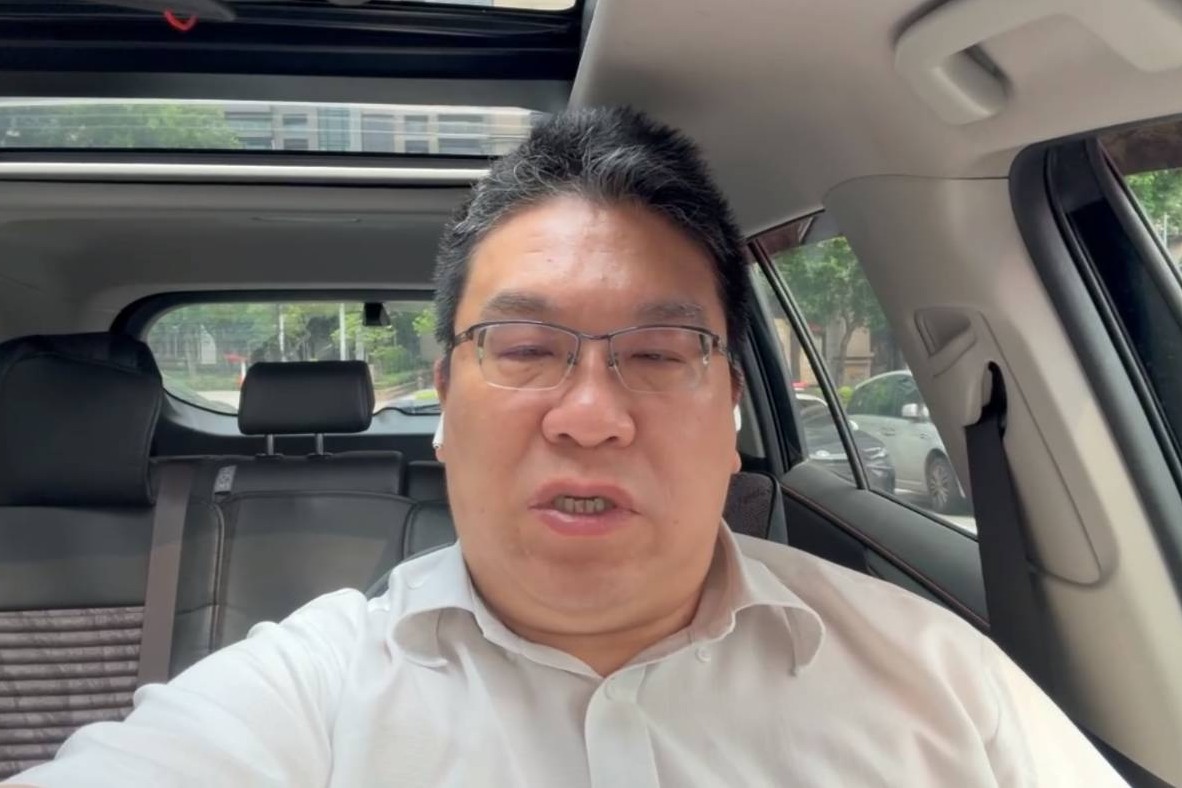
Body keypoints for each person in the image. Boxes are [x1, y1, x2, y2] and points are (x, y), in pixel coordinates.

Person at [4, 108, 1128, 788]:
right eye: (527, 348)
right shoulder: (307, 696)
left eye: (659, 351)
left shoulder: (942, 685)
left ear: (732, 409)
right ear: (447, 401)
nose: (590, 414)